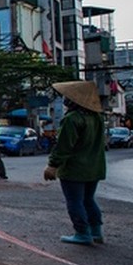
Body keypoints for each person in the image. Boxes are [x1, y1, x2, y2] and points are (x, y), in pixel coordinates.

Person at [43, 80, 106, 246]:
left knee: (75, 201)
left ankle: (82, 233)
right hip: (94, 168)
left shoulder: (72, 119)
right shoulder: (97, 118)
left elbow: (64, 145)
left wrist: (53, 165)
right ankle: (96, 231)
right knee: (88, 199)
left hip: (75, 169)